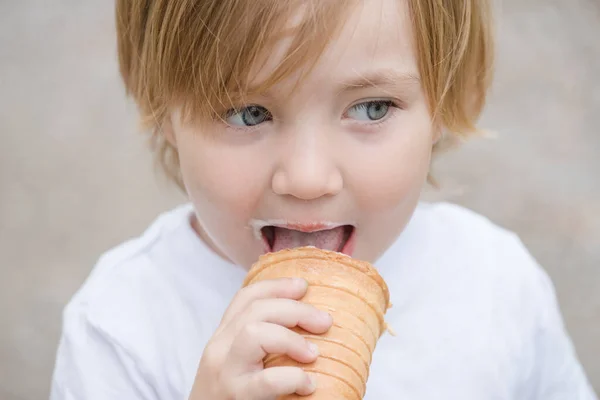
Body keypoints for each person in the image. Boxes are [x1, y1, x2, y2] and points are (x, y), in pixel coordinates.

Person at [50, 0, 597, 399]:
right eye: (248, 113)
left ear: (445, 101)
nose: (308, 179)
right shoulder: (120, 329)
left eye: (372, 108)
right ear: (164, 113)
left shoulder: (498, 283)